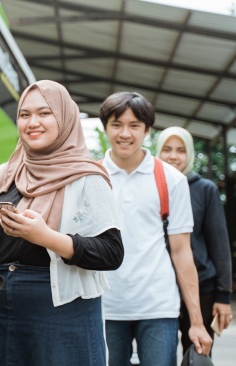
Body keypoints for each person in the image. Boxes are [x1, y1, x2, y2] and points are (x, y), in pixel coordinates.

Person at [0, 79, 124, 365]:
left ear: (64, 117)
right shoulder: (5, 173)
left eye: (44, 113)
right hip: (4, 309)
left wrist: (45, 236)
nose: (32, 122)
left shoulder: (87, 176)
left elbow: (111, 252)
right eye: (25, 114)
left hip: (64, 314)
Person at [98, 92, 213, 366]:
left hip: (158, 307)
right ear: (105, 128)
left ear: (148, 130)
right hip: (103, 307)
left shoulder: (171, 179)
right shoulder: (91, 175)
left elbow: (182, 252)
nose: (125, 133)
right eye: (116, 125)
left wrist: (196, 322)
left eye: (134, 125)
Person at [156, 126, 233, 354]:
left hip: (201, 286)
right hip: (159, 286)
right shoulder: (150, 186)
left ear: (189, 153)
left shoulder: (204, 189)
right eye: (167, 149)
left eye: (180, 150)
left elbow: (219, 245)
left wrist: (223, 296)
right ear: (158, 152)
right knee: (161, 354)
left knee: (198, 354)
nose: (173, 156)